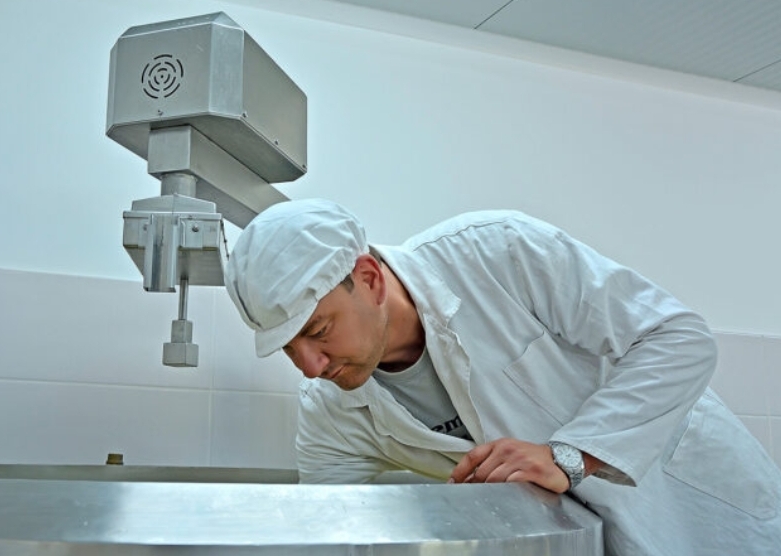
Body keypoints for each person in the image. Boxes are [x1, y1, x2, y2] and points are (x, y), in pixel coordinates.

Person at [223, 198, 781, 556]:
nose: (310, 366)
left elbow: (678, 338)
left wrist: (570, 456)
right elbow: (330, 534)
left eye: (318, 330)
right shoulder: (331, 412)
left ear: (368, 279)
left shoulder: (494, 253)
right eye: (287, 348)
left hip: (707, 513)